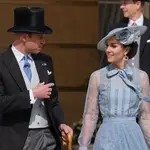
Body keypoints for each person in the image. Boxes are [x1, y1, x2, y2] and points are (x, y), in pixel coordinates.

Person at [0, 7, 73, 150]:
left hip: (48, 137)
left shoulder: (45, 61)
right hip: (18, 139)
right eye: (40, 37)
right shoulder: (2, 63)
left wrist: (61, 123)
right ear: (24, 37)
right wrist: (32, 94)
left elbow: (53, 100)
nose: (43, 41)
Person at [78, 25, 150, 150]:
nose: (108, 50)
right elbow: (90, 115)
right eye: (108, 45)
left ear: (126, 50)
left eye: (114, 46)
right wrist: (83, 146)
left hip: (133, 139)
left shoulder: (141, 77)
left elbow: (145, 116)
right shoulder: (97, 77)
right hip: (107, 139)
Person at [101, 0, 150, 79]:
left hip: (146, 85)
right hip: (119, 83)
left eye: (125, 3)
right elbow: (107, 59)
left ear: (137, 4)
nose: (121, 6)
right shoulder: (115, 28)